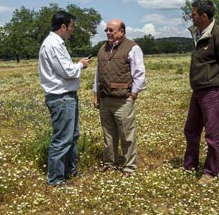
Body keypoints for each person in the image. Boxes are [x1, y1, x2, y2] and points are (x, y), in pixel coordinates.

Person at [183, 0, 219, 185]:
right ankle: (190, 165)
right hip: (197, 91)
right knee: (191, 130)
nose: (191, 16)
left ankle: (210, 172)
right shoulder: (199, 34)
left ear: (204, 16)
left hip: (211, 91)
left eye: (194, 13)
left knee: (212, 135)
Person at [38, 11, 91, 187]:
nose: (72, 30)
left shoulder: (55, 44)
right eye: (71, 26)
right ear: (63, 27)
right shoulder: (53, 44)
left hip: (66, 97)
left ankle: (69, 170)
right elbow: (67, 72)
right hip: (61, 98)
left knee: (72, 136)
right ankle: (55, 179)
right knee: (62, 139)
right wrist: (81, 65)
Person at [93, 19, 146, 176]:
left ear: (121, 32)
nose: (108, 33)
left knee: (126, 135)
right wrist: (96, 94)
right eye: (107, 30)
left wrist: (133, 94)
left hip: (123, 99)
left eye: (112, 30)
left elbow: (139, 74)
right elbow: (98, 74)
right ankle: (110, 162)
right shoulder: (102, 49)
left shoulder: (132, 48)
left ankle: (129, 166)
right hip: (105, 99)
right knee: (108, 134)